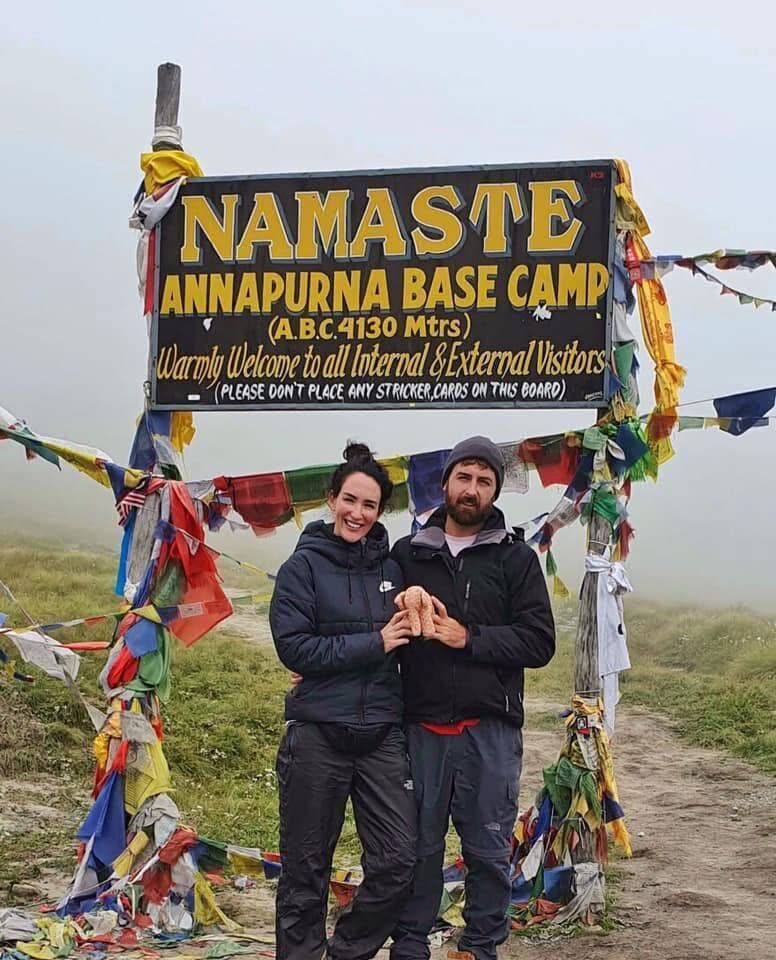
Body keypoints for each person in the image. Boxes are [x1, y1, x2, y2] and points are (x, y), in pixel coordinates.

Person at [389, 436, 556, 960]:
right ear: (445, 484)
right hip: (419, 727)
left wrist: (469, 638)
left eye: (485, 481)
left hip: (490, 732)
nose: (472, 489)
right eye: (464, 477)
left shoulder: (516, 559)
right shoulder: (408, 554)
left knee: (487, 849)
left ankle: (480, 947)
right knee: (416, 849)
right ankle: (410, 945)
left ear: (495, 492)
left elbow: (539, 642)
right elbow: (376, 627)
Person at [269, 443, 417, 960]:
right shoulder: (302, 568)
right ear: (332, 499)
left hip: (381, 735)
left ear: (380, 511)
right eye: (350, 500)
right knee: (305, 872)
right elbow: (295, 648)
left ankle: (346, 952)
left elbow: (413, 638)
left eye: (369, 505)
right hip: (317, 734)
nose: (358, 513)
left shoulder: (395, 570)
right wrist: (375, 643)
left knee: (399, 860)